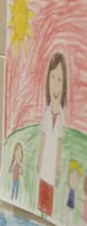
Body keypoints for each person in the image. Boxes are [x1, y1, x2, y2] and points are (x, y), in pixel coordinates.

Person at [37, 51, 67, 217]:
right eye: (53, 77)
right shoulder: (47, 113)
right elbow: (42, 138)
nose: (56, 84)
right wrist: (39, 160)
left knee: (50, 193)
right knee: (42, 188)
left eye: (60, 79)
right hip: (45, 162)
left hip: (52, 162)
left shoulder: (60, 116)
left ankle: (46, 214)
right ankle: (42, 212)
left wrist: (58, 168)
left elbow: (60, 143)